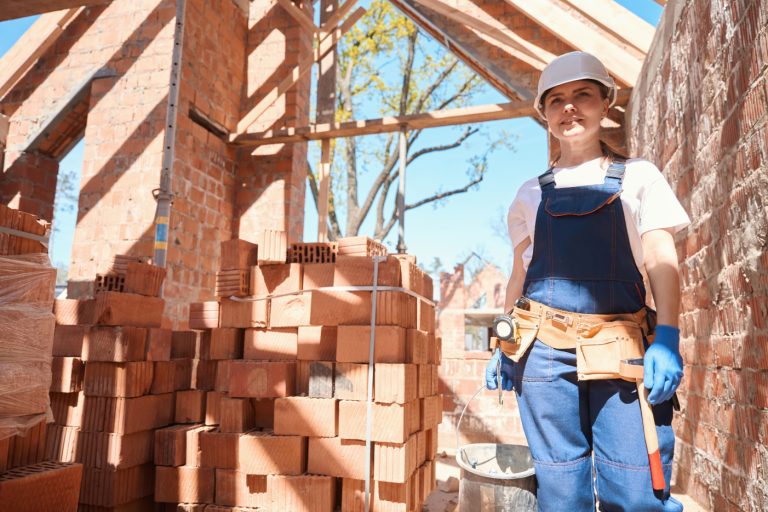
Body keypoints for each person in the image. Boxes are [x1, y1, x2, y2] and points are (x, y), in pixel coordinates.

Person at [485, 51, 689, 511]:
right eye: (556, 100)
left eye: (582, 95)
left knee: (636, 492)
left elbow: (660, 256)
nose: (569, 108)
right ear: (544, 114)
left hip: (621, 349)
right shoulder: (529, 194)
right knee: (560, 489)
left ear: (604, 104)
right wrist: (503, 338)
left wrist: (669, 337)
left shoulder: (639, 177)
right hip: (542, 352)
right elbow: (521, 271)